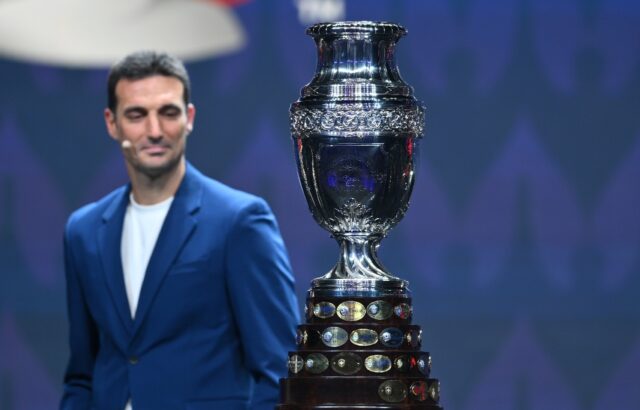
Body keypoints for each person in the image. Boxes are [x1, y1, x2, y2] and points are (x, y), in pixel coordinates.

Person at [60, 51, 299, 410]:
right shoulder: (84, 230)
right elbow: (83, 373)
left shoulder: (239, 221)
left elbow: (282, 370)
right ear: (112, 123)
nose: (154, 131)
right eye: (137, 115)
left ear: (189, 117)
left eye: (168, 112)